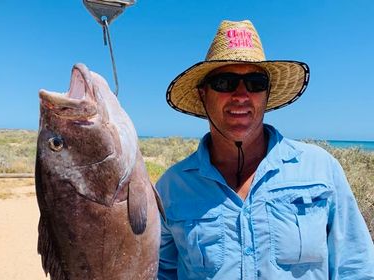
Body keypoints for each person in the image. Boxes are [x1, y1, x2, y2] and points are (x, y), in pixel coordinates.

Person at [156, 20, 374, 280]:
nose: (241, 94)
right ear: (204, 94)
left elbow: (356, 269)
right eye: (225, 82)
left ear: (267, 93)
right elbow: (159, 272)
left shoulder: (321, 169)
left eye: (255, 82)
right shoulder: (171, 188)